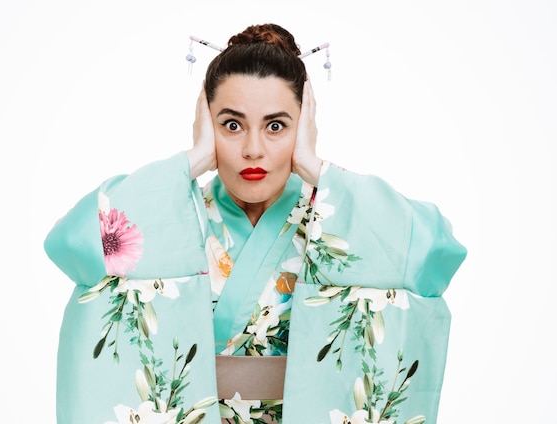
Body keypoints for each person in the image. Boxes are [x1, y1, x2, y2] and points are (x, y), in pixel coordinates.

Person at [44, 23, 466, 424]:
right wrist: (193, 160)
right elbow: (72, 244)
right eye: (231, 125)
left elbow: (432, 255)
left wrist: (315, 167)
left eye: (277, 126)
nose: (252, 149)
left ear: (304, 125)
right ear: (206, 123)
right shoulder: (172, 216)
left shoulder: (335, 220)